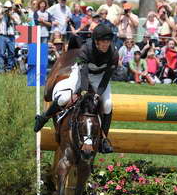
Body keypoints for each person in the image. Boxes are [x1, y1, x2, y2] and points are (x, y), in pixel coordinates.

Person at [34, 24, 117, 154]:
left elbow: (107, 76)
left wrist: (98, 93)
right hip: (79, 73)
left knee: (107, 104)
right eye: (103, 41)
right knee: (64, 98)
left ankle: (103, 140)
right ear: (96, 41)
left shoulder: (113, 53)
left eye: (108, 41)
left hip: (100, 77)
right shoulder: (85, 49)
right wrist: (83, 90)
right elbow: (83, 72)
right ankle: (44, 117)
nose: (106, 44)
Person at [0, 0, 21, 73]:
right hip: (2, 35)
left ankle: (9, 68)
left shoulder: (14, 14)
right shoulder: (1, 14)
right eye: (6, 7)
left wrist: (10, 15)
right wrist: (2, 12)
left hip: (11, 36)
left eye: (9, 8)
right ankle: (1, 69)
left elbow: (18, 22)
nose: (7, 9)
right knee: (1, 53)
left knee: (11, 53)